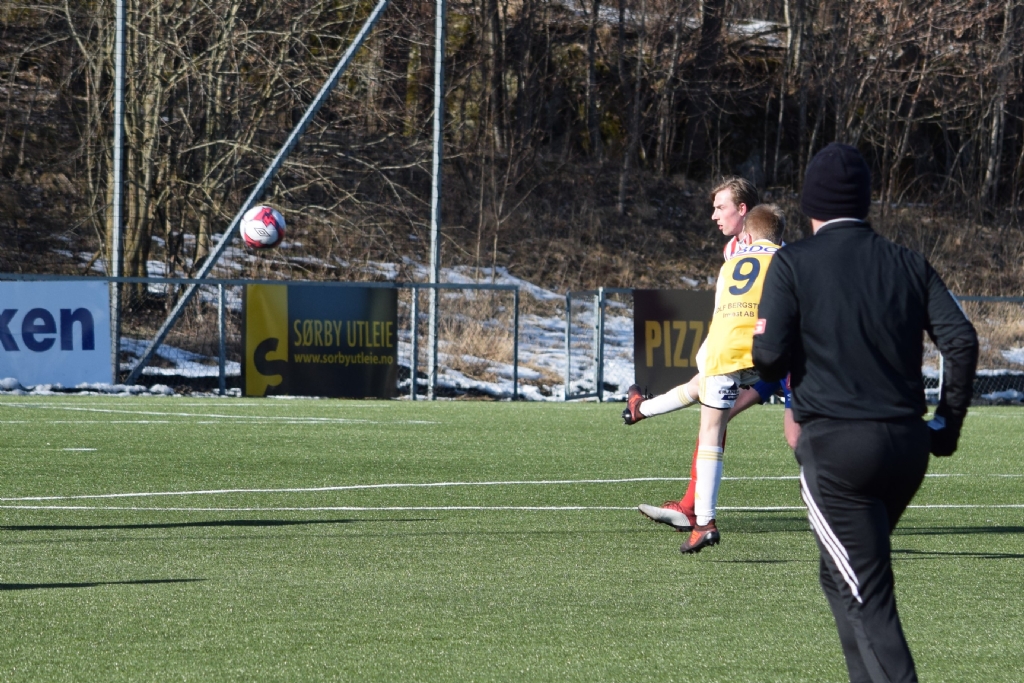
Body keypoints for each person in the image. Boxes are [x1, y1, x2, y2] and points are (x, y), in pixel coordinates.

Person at [752, 142, 978, 683]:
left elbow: (768, 356)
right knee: (841, 578)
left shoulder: (793, 262)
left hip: (838, 453)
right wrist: (946, 424)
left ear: (810, 204)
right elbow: (962, 341)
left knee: (867, 596)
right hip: (906, 447)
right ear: (866, 202)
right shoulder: (907, 261)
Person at [625, 203, 786, 553]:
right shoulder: (788, 259)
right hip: (768, 350)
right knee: (699, 387)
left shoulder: (731, 263)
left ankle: (704, 523)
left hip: (726, 348)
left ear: (747, 236)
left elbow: (723, 313)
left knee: (711, 432)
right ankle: (640, 409)